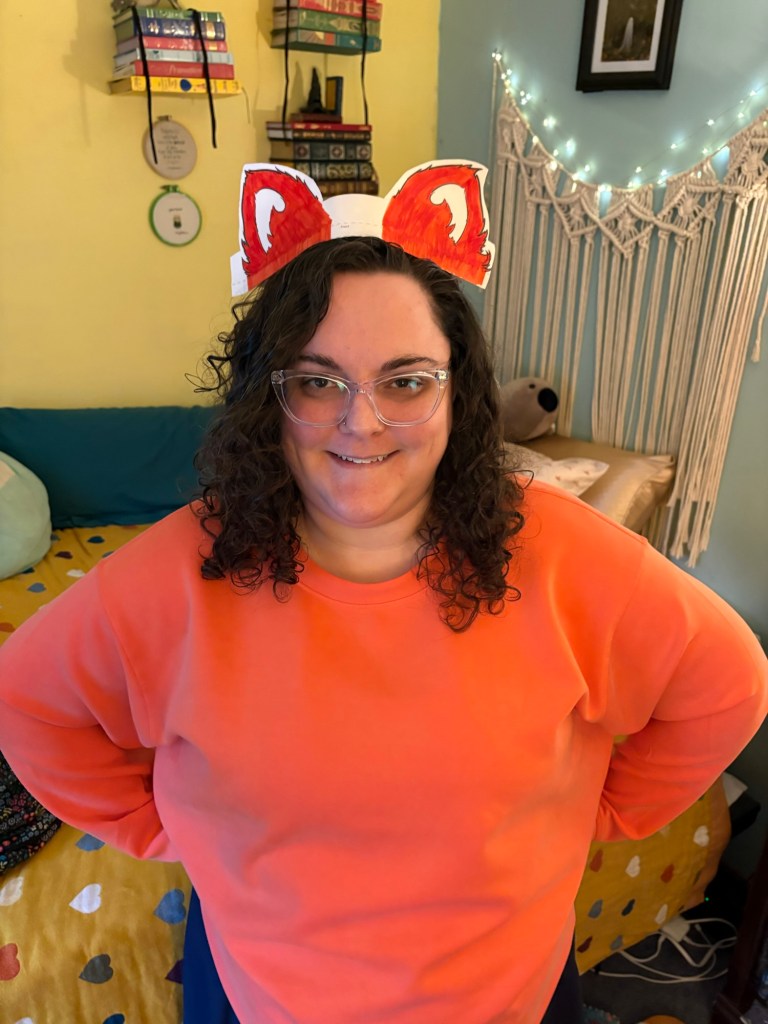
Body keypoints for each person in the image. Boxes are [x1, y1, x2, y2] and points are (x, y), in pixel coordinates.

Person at [0, 165, 766, 1024]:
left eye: (405, 381)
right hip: (260, 996)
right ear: (266, 396)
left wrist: (607, 811)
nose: (360, 421)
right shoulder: (178, 568)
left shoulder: (564, 550)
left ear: (457, 392)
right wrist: (162, 829)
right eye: (317, 381)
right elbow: (27, 701)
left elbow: (727, 684)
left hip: (511, 996)